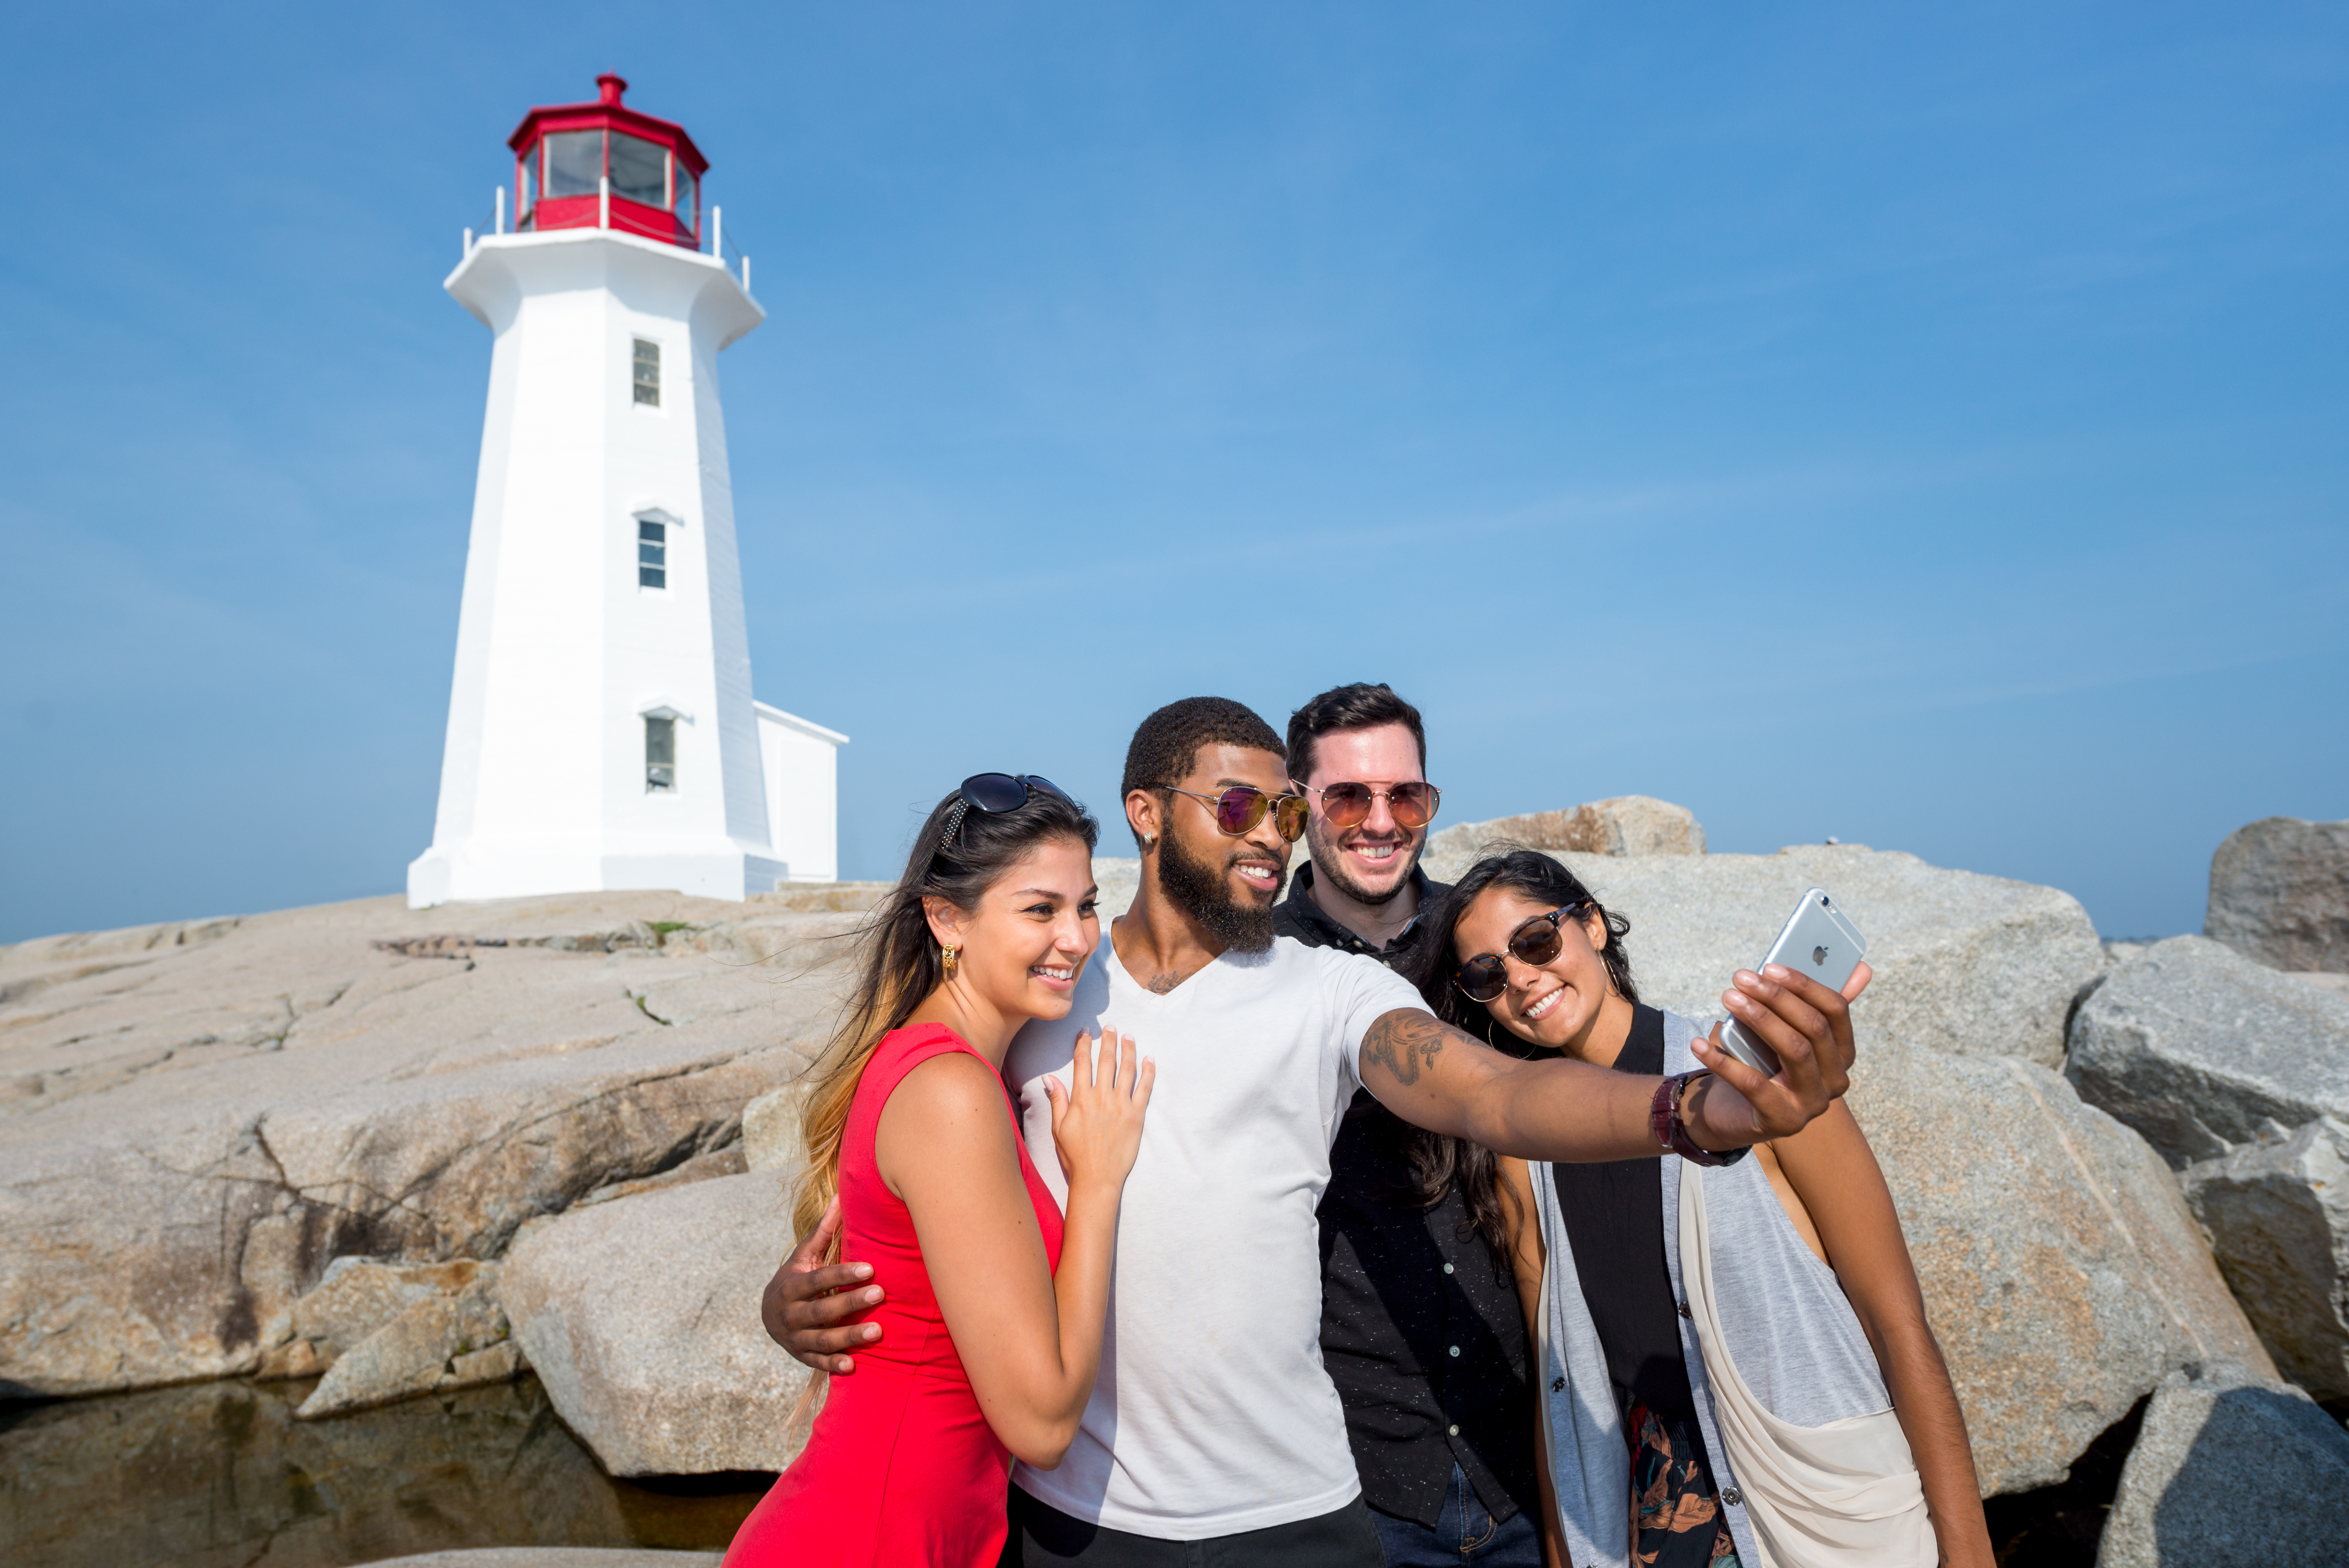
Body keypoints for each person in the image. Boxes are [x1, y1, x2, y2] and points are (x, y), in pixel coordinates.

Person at [766, 698, 1865, 1567]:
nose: (1273, 840)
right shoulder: (1044, 995)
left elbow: (1491, 1096)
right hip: (1072, 1524)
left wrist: (1689, 1110)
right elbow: (906, 1169)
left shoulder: (1327, 993)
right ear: (1145, 813)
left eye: (1286, 814)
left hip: (1295, 1520)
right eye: (1238, 809)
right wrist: (793, 1300)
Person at [1409, 849, 1994, 1568]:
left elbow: (1896, 1321)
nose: (1521, 978)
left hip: (1827, 1505)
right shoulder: (1520, 1159)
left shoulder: (1753, 1085)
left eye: (1534, 940)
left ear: (1591, 924)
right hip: (1661, 1520)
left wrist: (1968, 1548)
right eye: (1486, 974)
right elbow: (1554, 1379)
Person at [724, 774, 1156, 1568]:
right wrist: (1097, 1184)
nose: (1077, 938)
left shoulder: (950, 1065)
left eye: (1086, 904)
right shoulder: (951, 1092)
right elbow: (1043, 1427)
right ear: (947, 917)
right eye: (1040, 909)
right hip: (872, 1540)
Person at [1276, 683, 1555, 1567]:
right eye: (1349, 797)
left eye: (1408, 795)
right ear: (1299, 805)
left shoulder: (1489, 952)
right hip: (1355, 1481)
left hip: (1529, 1455)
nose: (1381, 820)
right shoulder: (1251, 965)